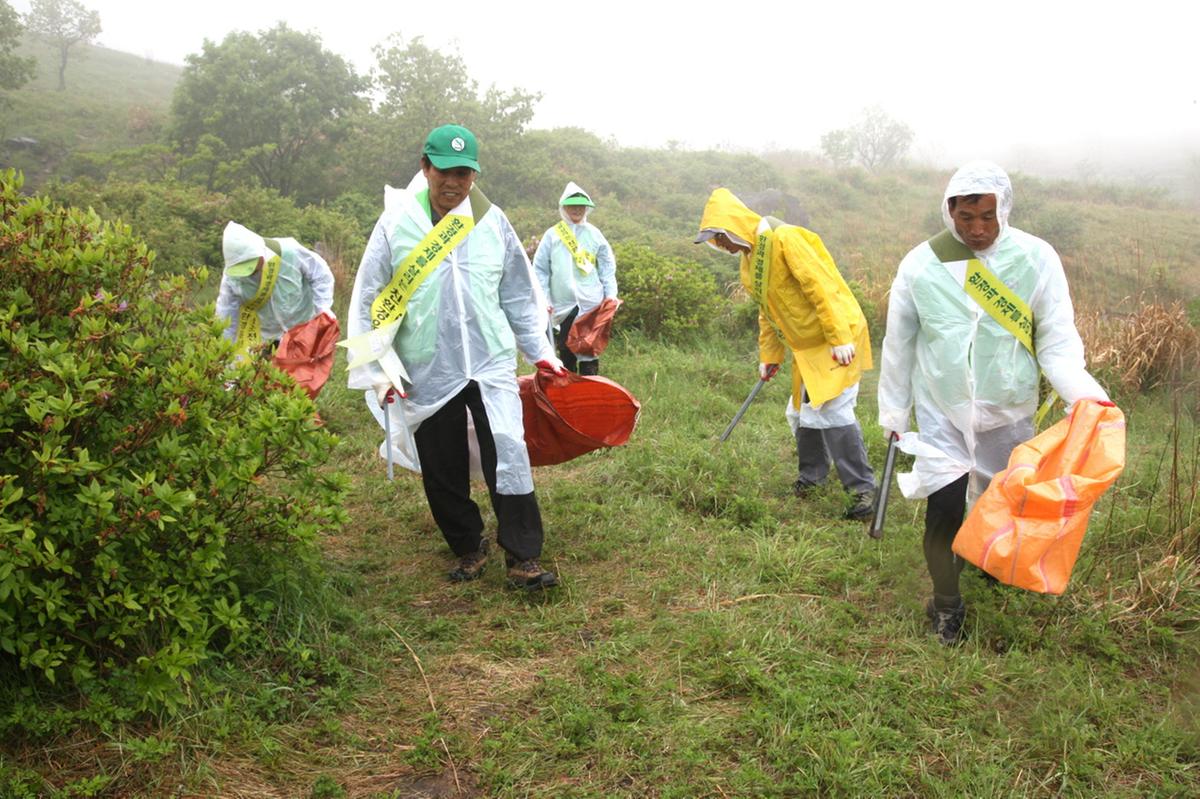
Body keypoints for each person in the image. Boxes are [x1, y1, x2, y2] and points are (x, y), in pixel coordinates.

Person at [877, 160, 1110, 645]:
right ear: (949, 212)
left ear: (1004, 209)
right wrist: (895, 411)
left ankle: (989, 562)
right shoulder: (921, 264)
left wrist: (1084, 394)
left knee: (1000, 502)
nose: (977, 229)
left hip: (1007, 410)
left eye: (987, 217)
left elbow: (1056, 340)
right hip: (942, 408)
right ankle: (946, 603)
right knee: (944, 507)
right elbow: (899, 343)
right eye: (966, 218)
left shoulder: (1036, 258)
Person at [345, 124, 566, 591]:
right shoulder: (396, 224)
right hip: (427, 362)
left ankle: (523, 556)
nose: (453, 182)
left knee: (508, 448)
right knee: (440, 462)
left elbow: (518, 292)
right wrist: (377, 369)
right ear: (425, 168)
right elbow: (369, 297)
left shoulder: (491, 220)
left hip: (489, 358)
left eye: (463, 174)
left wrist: (540, 351)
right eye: (444, 171)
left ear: (474, 176)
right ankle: (468, 544)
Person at [696, 188, 876, 520]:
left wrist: (838, 336)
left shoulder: (785, 238)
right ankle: (812, 479)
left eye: (720, 236)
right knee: (801, 412)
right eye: (714, 241)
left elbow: (821, 286)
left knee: (833, 410)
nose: (720, 245)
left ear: (734, 226)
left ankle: (863, 490)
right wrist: (770, 356)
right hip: (805, 347)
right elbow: (768, 312)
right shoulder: (749, 262)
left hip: (835, 338)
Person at [532, 182, 618, 375]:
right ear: (563, 207)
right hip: (564, 304)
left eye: (581, 206)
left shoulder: (594, 234)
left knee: (589, 349)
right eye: (572, 206)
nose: (577, 210)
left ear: (587, 208)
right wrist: (544, 298)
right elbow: (540, 269)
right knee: (566, 348)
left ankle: (590, 386)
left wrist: (610, 294)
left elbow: (607, 266)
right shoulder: (553, 235)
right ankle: (568, 387)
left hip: (591, 302)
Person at [216, 221, 335, 356]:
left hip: (302, 328)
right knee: (265, 368)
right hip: (265, 337)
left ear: (260, 252)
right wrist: (224, 351)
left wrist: (323, 308)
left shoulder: (289, 253)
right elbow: (226, 312)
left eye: (252, 264)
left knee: (303, 368)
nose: (250, 272)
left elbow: (321, 275)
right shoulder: (232, 277)